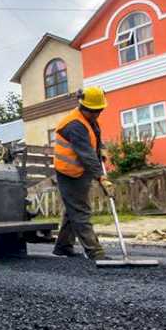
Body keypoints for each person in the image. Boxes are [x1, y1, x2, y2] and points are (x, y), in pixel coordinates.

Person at [51, 86, 113, 261]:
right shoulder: (74, 125)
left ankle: (63, 247)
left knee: (73, 210)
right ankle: (95, 252)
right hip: (69, 173)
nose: (98, 114)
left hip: (81, 171)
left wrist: (102, 149)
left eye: (100, 111)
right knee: (80, 211)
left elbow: (96, 139)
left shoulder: (90, 120)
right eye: (95, 111)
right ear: (85, 107)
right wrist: (102, 177)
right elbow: (86, 154)